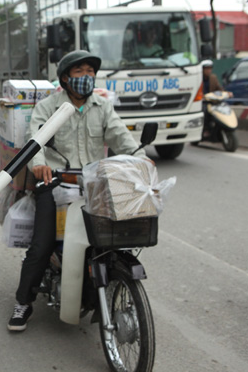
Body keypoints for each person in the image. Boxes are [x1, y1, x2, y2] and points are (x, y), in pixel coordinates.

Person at [8, 50, 146, 332]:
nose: (87, 77)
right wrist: (39, 166)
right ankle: (24, 300)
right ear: (65, 78)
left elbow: (120, 135)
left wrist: (139, 159)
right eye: (80, 71)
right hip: (55, 180)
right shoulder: (49, 107)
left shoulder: (102, 106)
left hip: (93, 182)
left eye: (90, 71)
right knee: (42, 244)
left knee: (113, 237)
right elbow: (35, 139)